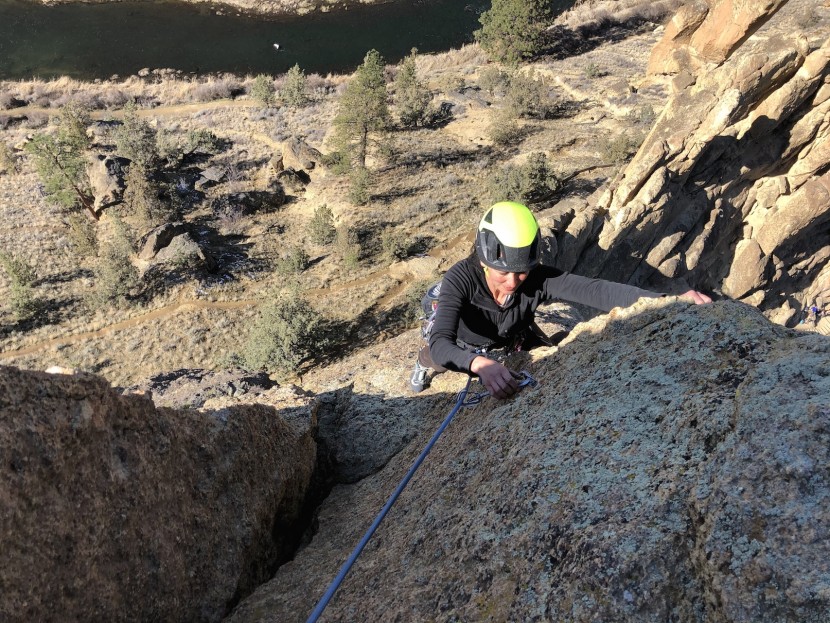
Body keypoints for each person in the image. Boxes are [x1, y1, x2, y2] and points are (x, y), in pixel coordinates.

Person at [409, 201, 712, 397]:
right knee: (437, 358)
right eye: (503, 272)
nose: (513, 282)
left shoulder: (538, 278)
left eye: (522, 272)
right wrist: (478, 364)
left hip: (512, 337)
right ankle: (422, 365)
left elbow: (598, 291)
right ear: (484, 260)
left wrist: (667, 301)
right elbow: (442, 342)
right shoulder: (461, 278)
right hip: (465, 343)